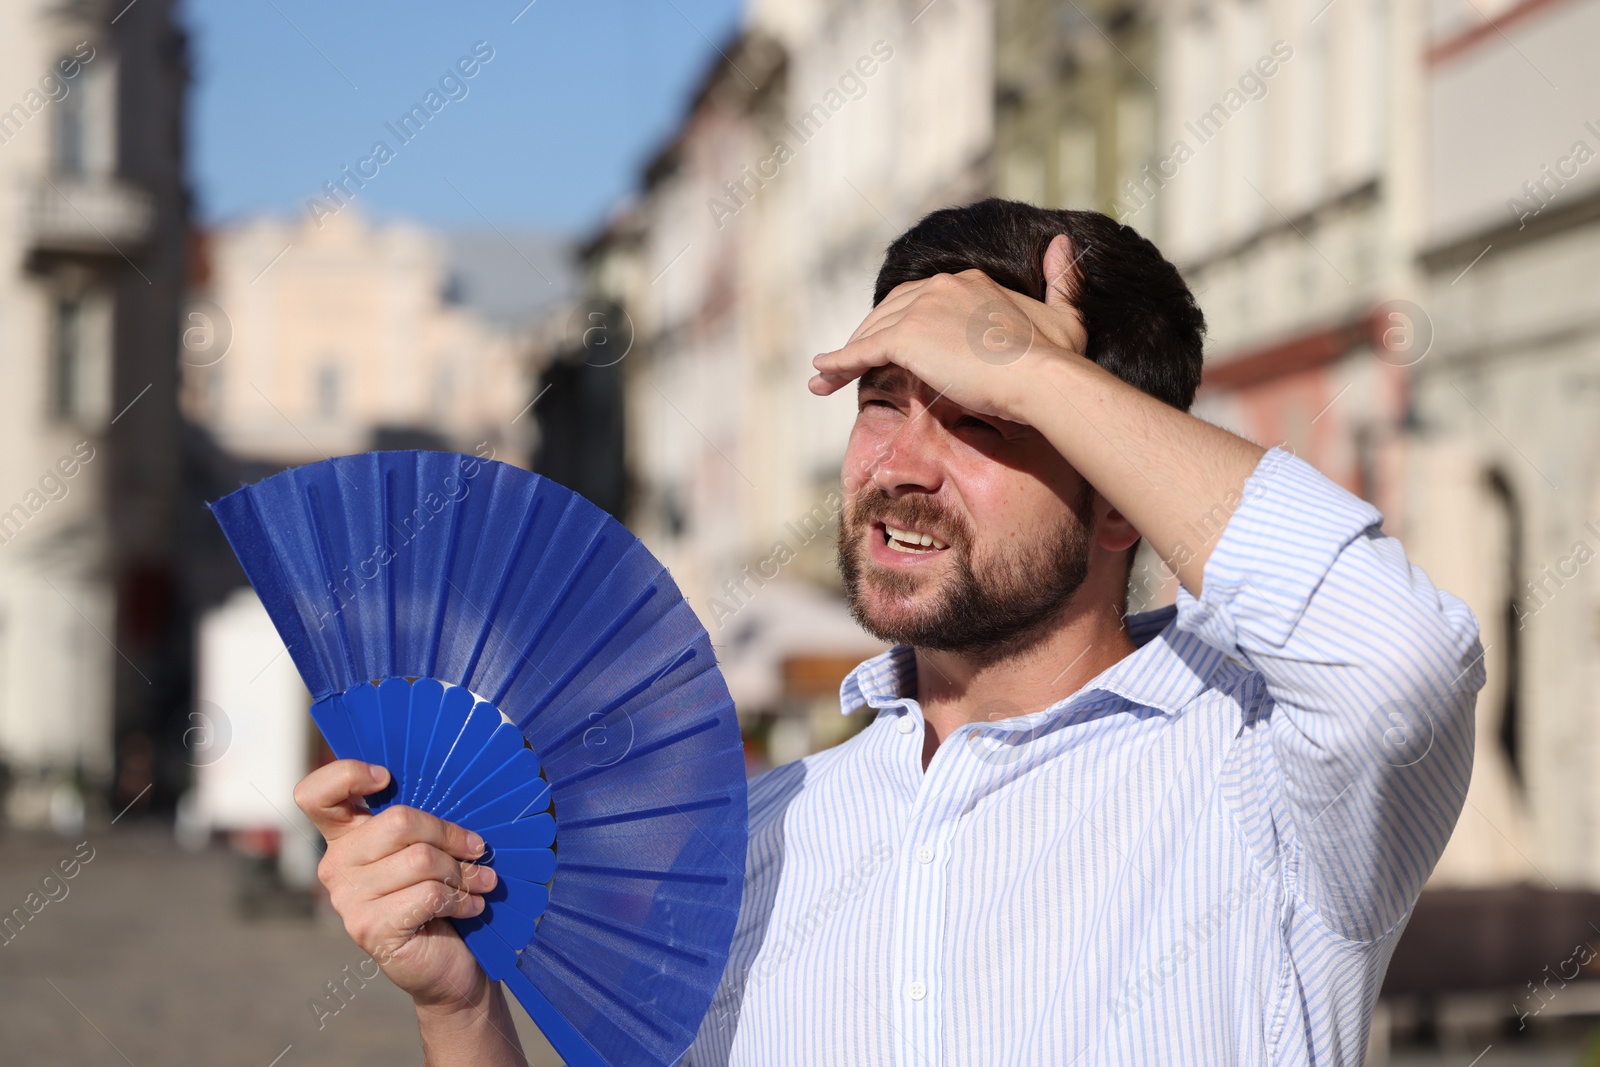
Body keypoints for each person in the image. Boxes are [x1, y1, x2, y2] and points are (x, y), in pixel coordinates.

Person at [293, 198, 1485, 1066]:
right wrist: (459, 1012)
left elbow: (1401, 655)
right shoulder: (749, 840)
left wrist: (1042, 375)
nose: (900, 466)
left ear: (1116, 484)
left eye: (978, 416)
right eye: (880, 400)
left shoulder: (1268, 772)